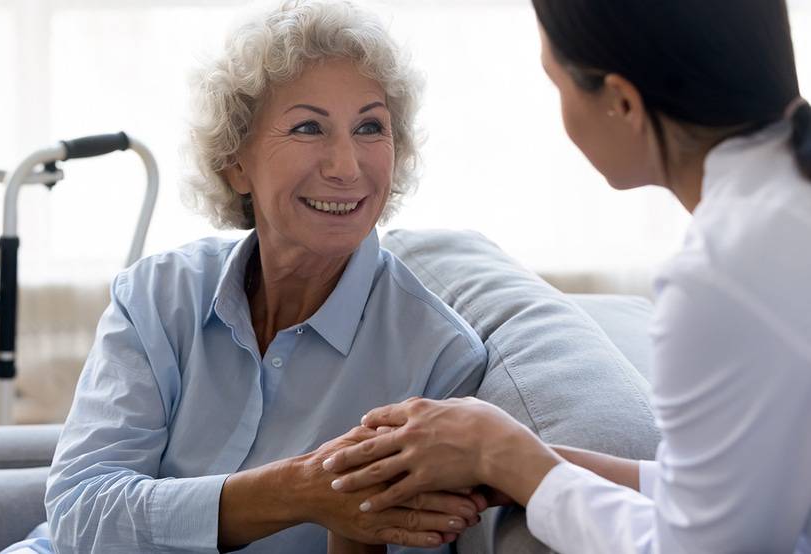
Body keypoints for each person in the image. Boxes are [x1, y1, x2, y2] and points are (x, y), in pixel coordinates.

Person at [0, 2, 487, 553]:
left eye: (371, 127)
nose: (347, 166)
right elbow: (80, 515)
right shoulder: (156, 296)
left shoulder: (438, 360)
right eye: (309, 127)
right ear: (235, 162)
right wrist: (296, 491)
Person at [324, 1, 811, 552]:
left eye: (556, 85)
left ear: (622, 103)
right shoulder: (776, 217)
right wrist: (523, 461)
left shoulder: (724, 274)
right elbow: (727, 500)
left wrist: (502, 453)